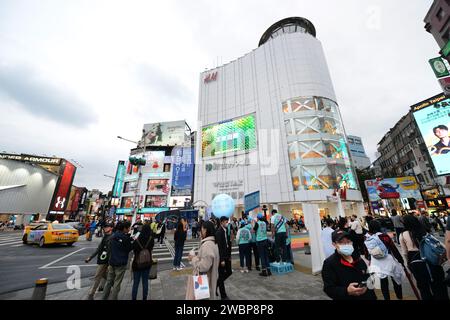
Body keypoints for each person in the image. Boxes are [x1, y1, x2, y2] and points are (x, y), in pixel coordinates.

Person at [399, 215, 449, 300]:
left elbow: (404, 253)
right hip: (430, 259)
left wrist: (408, 265)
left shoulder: (402, 235)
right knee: (438, 285)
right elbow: (439, 245)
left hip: (416, 263)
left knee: (423, 288)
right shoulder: (424, 231)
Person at [322, 230, 376, 300]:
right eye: (341, 243)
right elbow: (328, 288)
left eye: (348, 242)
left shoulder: (358, 258)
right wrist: (347, 291)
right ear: (334, 244)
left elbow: (368, 277)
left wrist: (367, 288)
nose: (346, 244)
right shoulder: (329, 263)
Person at [365, 220, 404, 300]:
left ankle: (387, 298)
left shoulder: (367, 238)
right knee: (396, 280)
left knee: (383, 283)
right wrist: (401, 261)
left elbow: (366, 254)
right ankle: (399, 297)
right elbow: (394, 249)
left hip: (377, 263)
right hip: (389, 261)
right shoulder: (384, 236)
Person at [187, 220, 220, 300]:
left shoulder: (207, 245)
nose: (200, 231)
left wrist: (193, 258)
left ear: (205, 230)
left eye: (201, 229)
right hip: (209, 279)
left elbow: (203, 267)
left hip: (205, 282)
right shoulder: (213, 242)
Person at [102, 221, 133, 300]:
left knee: (109, 282)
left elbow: (109, 247)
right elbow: (129, 248)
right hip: (121, 263)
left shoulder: (113, 235)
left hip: (112, 262)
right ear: (124, 228)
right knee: (117, 283)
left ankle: (104, 298)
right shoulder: (125, 238)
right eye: (128, 228)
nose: (129, 229)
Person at [85, 222, 114, 300]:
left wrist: (110, 262)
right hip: (102, 260)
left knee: (97, 276)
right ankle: (113, 288)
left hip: (105, 261)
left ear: (111, 228)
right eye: (104, 227)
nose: (105, 228)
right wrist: (90, 257)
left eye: (107, 227)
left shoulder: (112, 237)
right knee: (106, 277)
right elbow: (99, 248)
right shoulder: (105, 236)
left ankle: (91, 294)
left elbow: (110, 251)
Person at [131, 224, 154, 300]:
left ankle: (134, 298)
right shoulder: (151, 239)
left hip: (137, 263)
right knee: (145, 282)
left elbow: (134, 249)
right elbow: (151, 249)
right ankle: (145, 297)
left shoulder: (137, 238)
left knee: (136, 283)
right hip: (147, 263)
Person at [216, 217, 232, 299]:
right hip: (222, 257)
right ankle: (223, 295)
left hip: (226, 255)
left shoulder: (226, 230)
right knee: (221, 276)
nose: (227, 223)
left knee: (229, 272)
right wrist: (221, 259)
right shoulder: (219, 232)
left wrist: (229, 256)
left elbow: (227, 244)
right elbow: (219, 247)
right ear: (222, 222)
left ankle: (216, 284)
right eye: (226, 222)